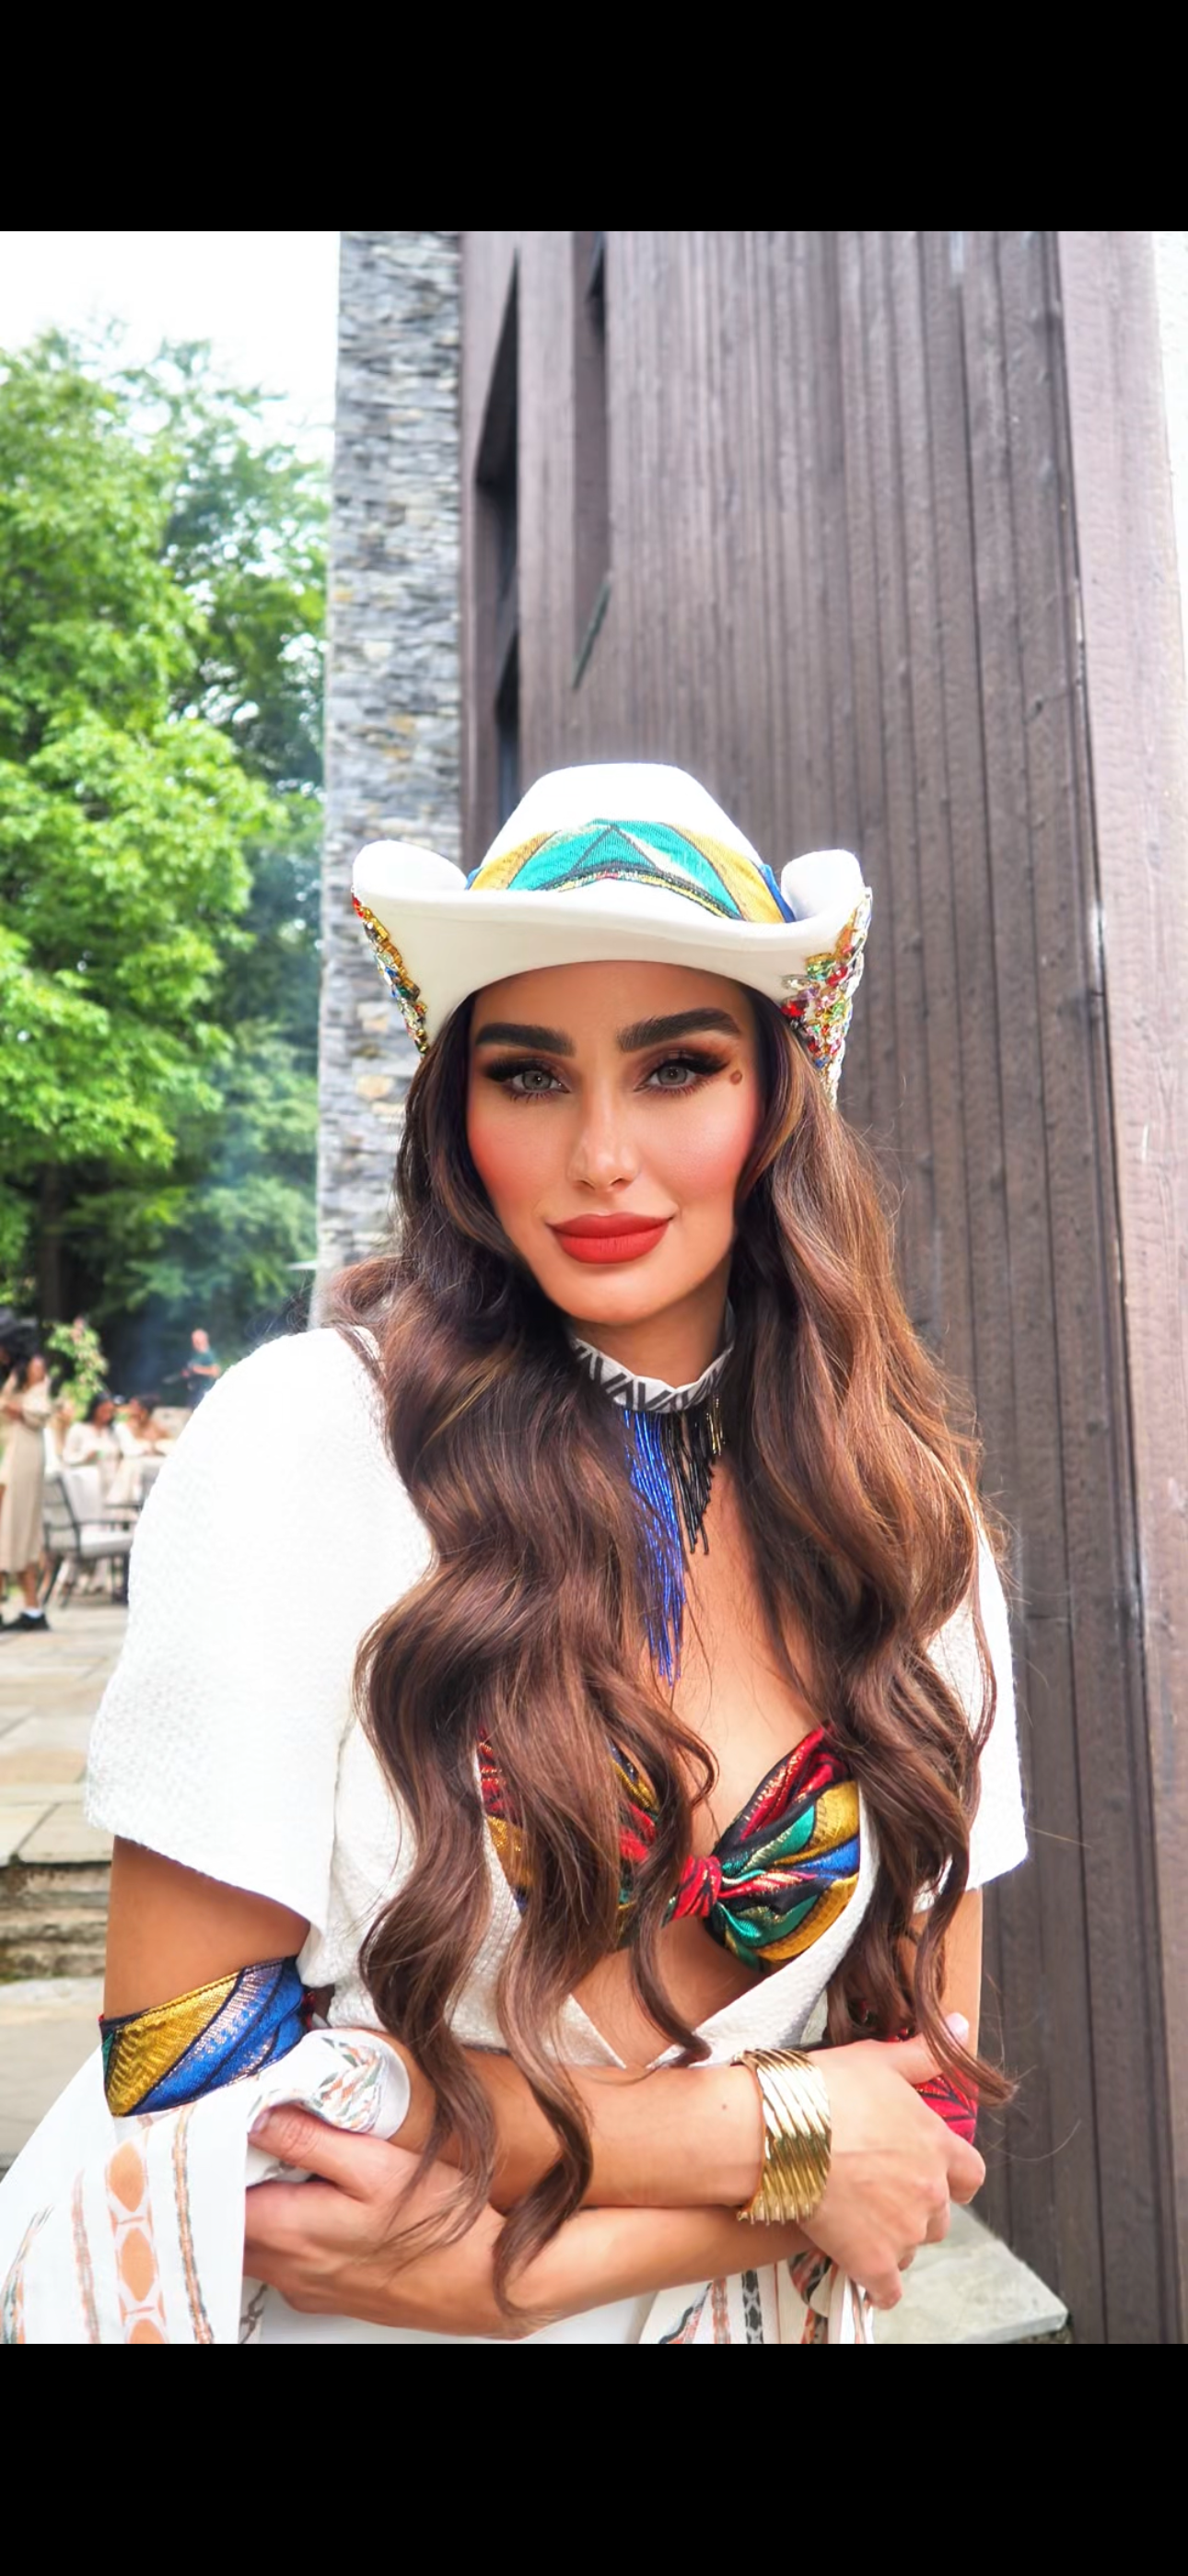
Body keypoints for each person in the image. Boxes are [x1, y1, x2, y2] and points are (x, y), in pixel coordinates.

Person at [0, 765, 1027, 2344]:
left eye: (675, 1067)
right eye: (531, 1074)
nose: (601, 1154)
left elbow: (921, 2118)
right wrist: (770, 2134)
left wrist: (520, 2269)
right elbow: (182, 2052)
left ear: (777, 1098)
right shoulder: (309, 1442)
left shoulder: (907, 1524)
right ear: (458, 1115)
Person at [0, 1349, 52, 1633]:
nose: (39, 1371)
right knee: (12, 1533)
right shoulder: (17, 1389)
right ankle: (31, 1608)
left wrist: (13, 1407)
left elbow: (35, 1413)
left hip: (24, 1465)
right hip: (14, 1462)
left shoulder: (38, 1394)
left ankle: (32, 1608)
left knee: (17, 1532)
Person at [62, 1391, 122, 1496]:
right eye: (103, 1410)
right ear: (94, 1409)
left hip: (112, 1484)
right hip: (86, 1483)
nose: (107, 1415)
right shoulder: (78, 1429)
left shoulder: (113, 1431)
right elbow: (67, 1457)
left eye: (110, 1411)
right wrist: (85, 1457)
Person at [181, 1329, 221, 1409]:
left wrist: (198, 1370)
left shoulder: (209, 1355)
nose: (194, 1343)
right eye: (193, 1341)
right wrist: (188, 1373)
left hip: (204, 1391)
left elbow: (216, 1372)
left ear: (203, 1341)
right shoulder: (195, 1354)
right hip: (194, 1391)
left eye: (196, 1341)